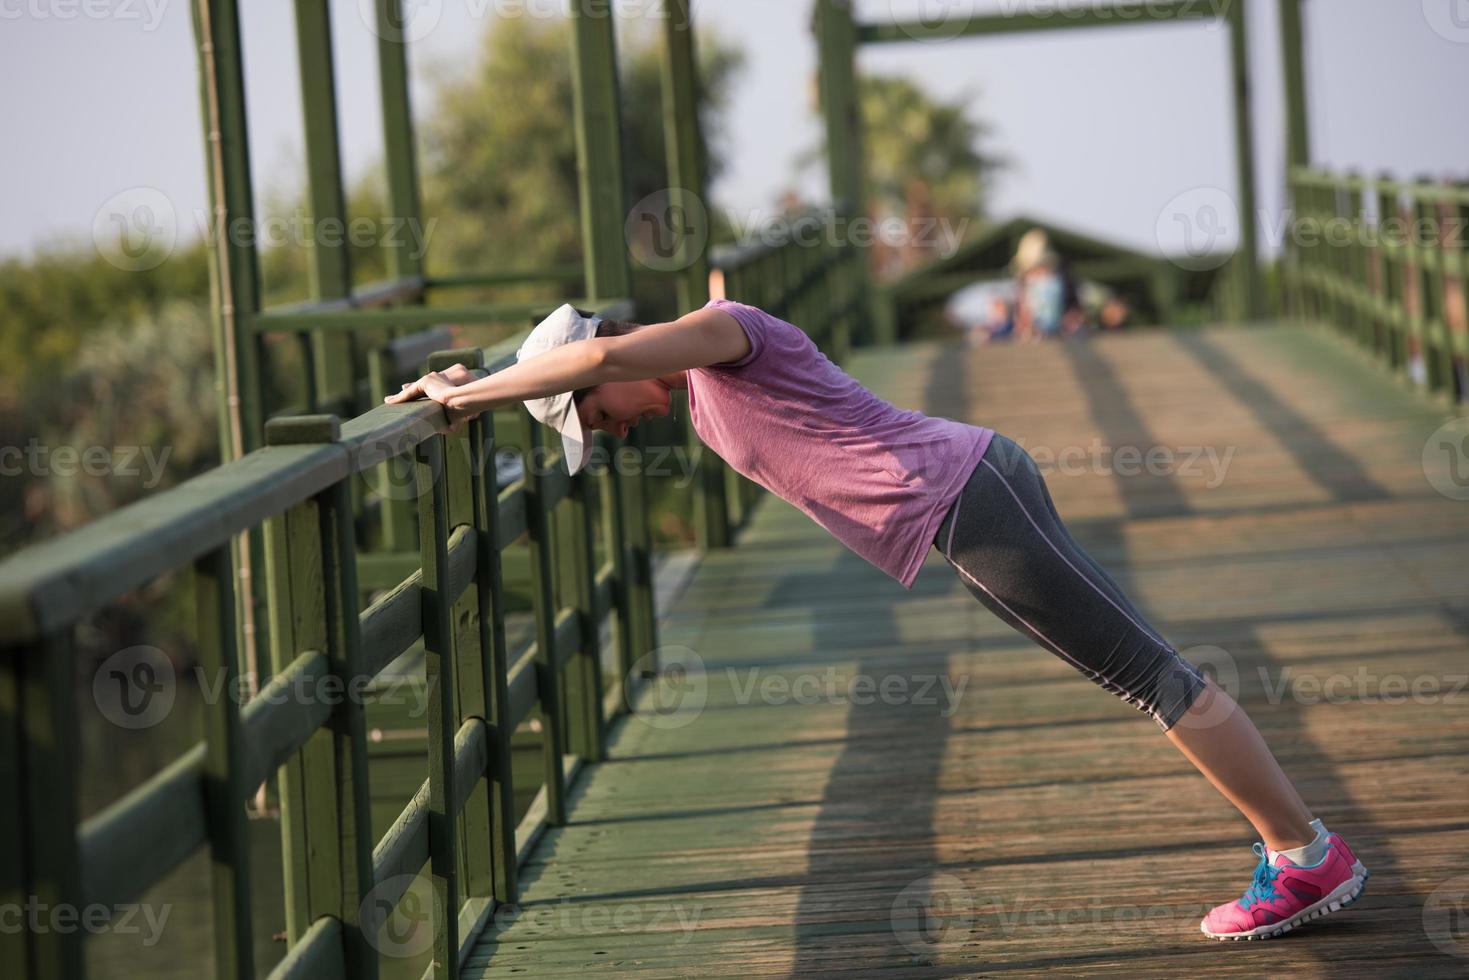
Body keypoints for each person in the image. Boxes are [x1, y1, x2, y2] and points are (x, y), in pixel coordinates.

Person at [388, 299, 1370, 942]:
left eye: (592, 417)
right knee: (1141, 675)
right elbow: (617, 365)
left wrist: (466, 395)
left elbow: (603, 351)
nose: (612, 428)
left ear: (586, 370)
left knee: (1148, 675)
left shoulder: (720, 331)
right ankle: (1292, 846)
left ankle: (1301, 854)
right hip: (962, 503)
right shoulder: (700, 386)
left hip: (967, 495)